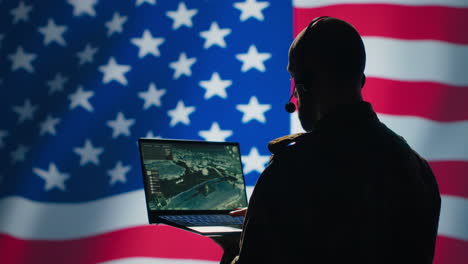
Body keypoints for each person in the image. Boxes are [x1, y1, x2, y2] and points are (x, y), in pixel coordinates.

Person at [212, 16, 441, 264]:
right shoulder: (417, 169)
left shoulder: (293, 171)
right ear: (360, 79)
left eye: (295, 84)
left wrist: (235, 246)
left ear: (306, 85)